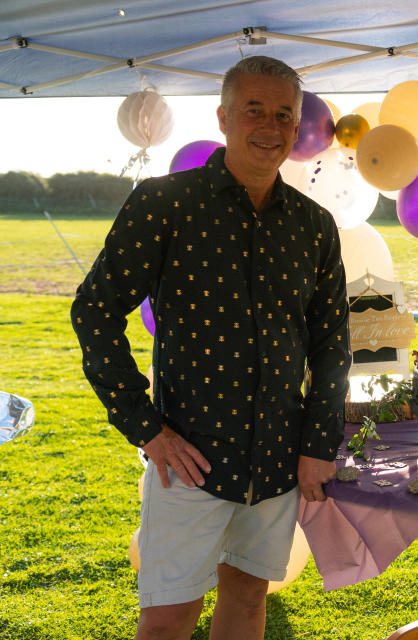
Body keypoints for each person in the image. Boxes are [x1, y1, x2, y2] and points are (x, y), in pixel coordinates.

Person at [71, 56, 350, 639]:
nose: (269, 126)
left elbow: (329, 343)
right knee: (169, 621)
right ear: (223, 117)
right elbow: (95, 311)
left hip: (276, 456)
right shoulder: (166, 203)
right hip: (189, 459)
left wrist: (318, 442)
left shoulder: (314, 226)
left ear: (298, 127)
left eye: (284, 114)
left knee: (249, 601)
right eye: (254, 110)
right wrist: (144, 426)